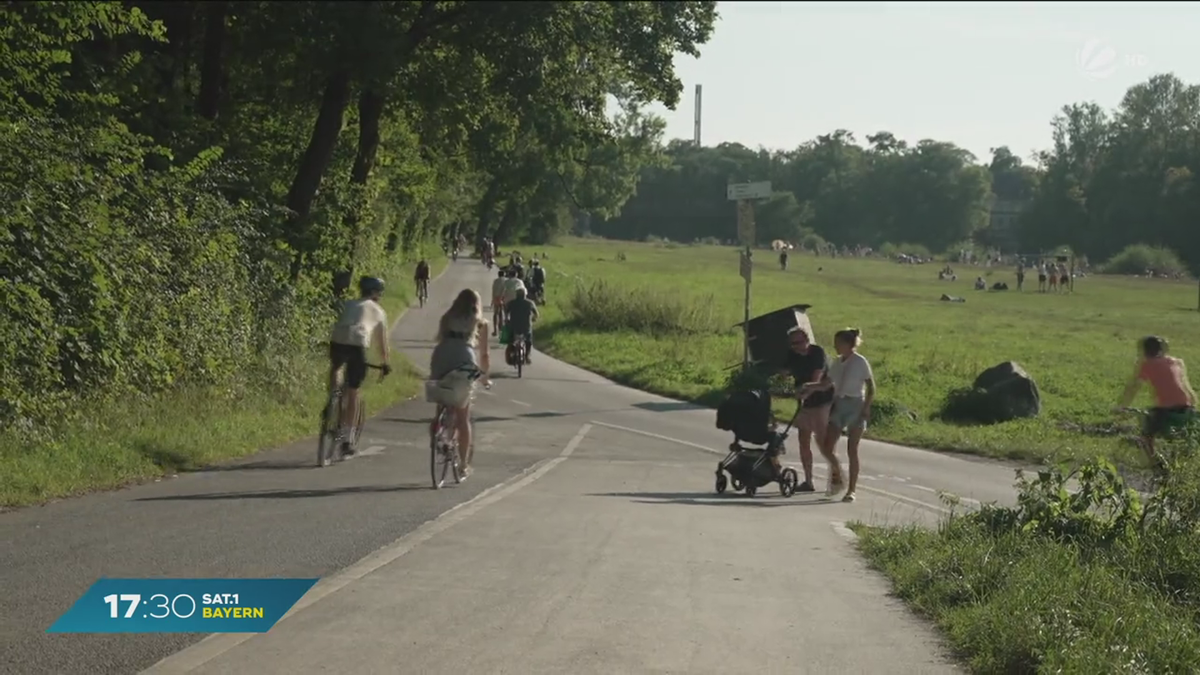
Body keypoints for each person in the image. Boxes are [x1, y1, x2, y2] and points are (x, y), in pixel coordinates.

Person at [801, 328, 875, 502]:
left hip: (855, 405)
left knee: (852, 449)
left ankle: (851, 491)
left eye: (838, 343)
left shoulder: (860, 362)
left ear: (848, 344)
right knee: (827, 446)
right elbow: (825, 384)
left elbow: (871, 387)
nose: (835, 346)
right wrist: (808, 387)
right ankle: (838, 477)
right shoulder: (837, 362)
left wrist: (866, 408)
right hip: (839, 405)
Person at [328, 276, 393, 456]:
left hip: (337, 340)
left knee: (337, 367)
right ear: (374, 293)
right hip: (357, 343)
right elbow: (382, 344)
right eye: (379, 292)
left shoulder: (349, 304)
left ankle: (333, 394)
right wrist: (385, 363)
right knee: (353, 391)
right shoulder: (378, 311)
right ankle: (348, 439)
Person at [429, 289, 492, 477]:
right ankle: (464, 464)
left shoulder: (446, 318)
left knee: (443, 397)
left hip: (441, 355)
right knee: (463, 415)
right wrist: (485, 376)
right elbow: (484, 354)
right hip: (465, 358)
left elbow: (440, 338)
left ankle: (439, 431)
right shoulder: (480, 322)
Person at [1114, 336, 1198, 466]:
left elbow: (1134, 388)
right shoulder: (1177, 362)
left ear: (1144, 351)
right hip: (1186, 407)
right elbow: (1188, 390)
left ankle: (1154, 464)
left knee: (1147, 435)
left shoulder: (1146, 364)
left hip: (1164, 409)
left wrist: (1122, 407)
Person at [779, 326, 830, 493]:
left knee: (824, 443)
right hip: (804, 402)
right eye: (792, 344)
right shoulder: (793, 354)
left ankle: (834, 478)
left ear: (807, 340)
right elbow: (785, 372)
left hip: (822, 401)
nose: (796, 347)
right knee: (803, 440)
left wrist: (805, 392)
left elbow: (817, 378)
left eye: (799, 342)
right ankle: (808, 481)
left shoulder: (817, 353)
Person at [504, 287, 539, 365]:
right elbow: (536, 314)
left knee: (510, 340)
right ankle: (527, 356)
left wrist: (506, 319)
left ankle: (510, 354)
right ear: (525, 295)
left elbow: (506, 311)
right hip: (526, 327)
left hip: (513, 327)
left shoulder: (511, 303)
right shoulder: (530, 303)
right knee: (529, 341)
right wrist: (534, 318)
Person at [490, 269, 507, 336]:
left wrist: (493, 300)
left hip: (496, 298)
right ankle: (501, 328)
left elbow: (493, 290)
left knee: (496, 314)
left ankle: (495, 330)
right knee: (503, 314)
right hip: (503, 298)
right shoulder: (506, 280)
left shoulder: (495, 281)